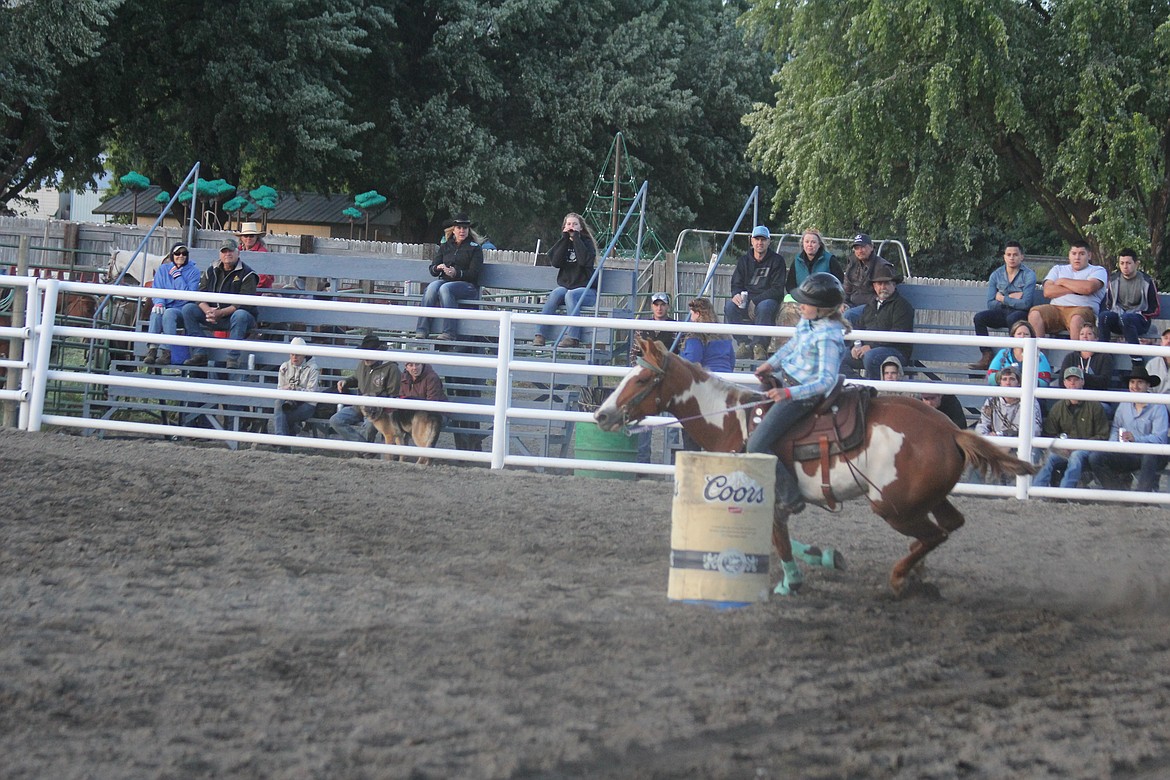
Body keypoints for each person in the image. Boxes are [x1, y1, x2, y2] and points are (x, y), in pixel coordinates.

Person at [748, 273, 850, 520]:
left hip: (804, 395)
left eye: (805, 302)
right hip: (789, 382)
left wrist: (787, 393)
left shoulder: (828, 336)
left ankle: (790, 497)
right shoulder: (808, 321)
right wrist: (771, 364)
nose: (799, 305)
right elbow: (793, 345)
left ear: (822, 308)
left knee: (756, 445)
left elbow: (825, 381)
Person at [1085, 364, 1169, 492]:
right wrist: (1115, 444)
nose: (1135, 386)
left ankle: (1141, 497)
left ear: (1148, 385)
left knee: (1149, 456)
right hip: (1128, 453)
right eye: (1132, 382)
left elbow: (1160, 438)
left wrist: (1136, 439)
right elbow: (1116, 428)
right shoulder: (1124, 403)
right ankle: (1118, 494)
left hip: (1152, 454)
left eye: (1140, 382)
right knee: (1096, 458)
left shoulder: (1158, 406)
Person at [180, 237, 259, 369]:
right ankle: (200, 352)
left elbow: (244, 303)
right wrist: (208, 311)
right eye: (224, 251)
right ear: (220, 254)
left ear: (238, 253)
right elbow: (200, 294)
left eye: (231, 251)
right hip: (212, 315)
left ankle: (232, 358)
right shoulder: (211, 270)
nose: (227, 254)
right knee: (188, 309)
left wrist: (220, 313)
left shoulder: (248, 274)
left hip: (237, 317)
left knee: (240, 315)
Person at [1032, 367, 1110, 490]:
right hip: (1064, 449)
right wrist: (1061, 445)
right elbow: (1049, 434)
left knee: (1076, 457)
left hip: (1087, 449)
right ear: (1064, 383)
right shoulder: (1058, 408)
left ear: (1082, 382)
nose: (1072, 382)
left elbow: (1102, 435)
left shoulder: (1094, 406)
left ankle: (1065, 491)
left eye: (1076, 379)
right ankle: (1037, 491)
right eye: (1069, 380)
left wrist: (1078, 445)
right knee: (1049, 458)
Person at [969, 241, 1037, 371]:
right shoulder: (996, 275)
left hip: (1020, 314)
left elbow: (1026, 303)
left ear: (1022, 256)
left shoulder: (1029, 275)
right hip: (1002, 312)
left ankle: (1014, 356)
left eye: (1015, 255)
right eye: (1009, 254)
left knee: (1013, 318)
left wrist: (1003, 298)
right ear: (1004, 256)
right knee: (979, 318)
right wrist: (1012, 297)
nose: (1012, 258)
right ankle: (986, 356)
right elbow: (990, 303)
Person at [533, 212, 598, 349]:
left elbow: (583, 262)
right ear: (564, 227)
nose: (571, 227)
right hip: (566, 287)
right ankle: (540, 334)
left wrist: (576, 240)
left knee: (571, 295)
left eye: (575, 224)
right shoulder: (563, 243)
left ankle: (573, 337)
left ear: (581, 228)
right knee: (557, 292)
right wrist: (564, 239)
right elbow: (556, 262)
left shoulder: (587, 244)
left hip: (586, 291)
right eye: (569, 224)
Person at [415, 213, 483, 341]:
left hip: (468, 286)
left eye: (465, 228)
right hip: (446, 281)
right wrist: (438, 268)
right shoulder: (445, 246)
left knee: (445, 288)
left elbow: (474, 274)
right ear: (454, 230)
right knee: (432, 287)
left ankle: (449, 332)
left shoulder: (475, 249)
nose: (462, 231)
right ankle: (422, 330)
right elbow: (432, 268)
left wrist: (457, 273)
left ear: (469, 230)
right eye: (459, 228)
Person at [725, 224, 787, 361]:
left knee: (765, 307)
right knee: (729, 306)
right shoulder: (743, 261)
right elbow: (736, 284)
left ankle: (759, 346)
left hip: (767, 299)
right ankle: (743, 343)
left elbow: (777, 289)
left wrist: (755, 301)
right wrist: (735, 294)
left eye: (763, 239)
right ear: (751, 241)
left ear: (769, 242)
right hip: (747, 299)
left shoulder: (777, 261)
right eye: (757, 239)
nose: (760, 242)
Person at [841, 265, 914, 379]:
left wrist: (870, 347)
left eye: (887, 283)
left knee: (871, 357)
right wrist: (854, 347)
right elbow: (859, 328)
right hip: (867, 350)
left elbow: (897, 336)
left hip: (896, 352)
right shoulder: (870, 306)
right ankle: (862, 388)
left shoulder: (902, 306)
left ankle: (874, 393)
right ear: (874, 286)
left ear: (894, 285)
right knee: (838, 356)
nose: (883, 287)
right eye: (879, 284)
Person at [329, 333, 402, 444]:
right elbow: (356, 378)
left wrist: (375, 403)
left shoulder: (392, 368)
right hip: (360, 406)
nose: (365, 359)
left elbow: (393, 394)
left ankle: (363, 449)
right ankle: (364, 448)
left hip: (378, 410)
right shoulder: (363, 364)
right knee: (335, 420)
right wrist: (346, 382)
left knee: (369, 426)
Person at [1028, 240, 1108, 340]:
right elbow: (1047, 291)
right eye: (1074, 253)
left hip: (1083, 309)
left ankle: (1076, 355)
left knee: (1076, 319)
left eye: (1082, 254)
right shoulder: (1058, 269)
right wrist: (1078, 289)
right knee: (1035, 314)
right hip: (1056, 309)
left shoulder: (1098, 270)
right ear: (1069, 255)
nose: (1077, 257)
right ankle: (1038, 354)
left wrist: (1062, 281)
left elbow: (1088, 288)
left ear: (1089, 255)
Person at [633, 292, 679, 464]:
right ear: (652, 307)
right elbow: (634, 354)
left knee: (671, 423)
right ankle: (642, 461)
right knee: (644, 420)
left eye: (662, 305)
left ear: (667, 306)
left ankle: (672, 462)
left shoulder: (676, 327)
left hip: (669, 379)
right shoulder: (643, 326)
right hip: (648, 379)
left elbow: (680, 354)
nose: (659, 308)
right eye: (656, 304)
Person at [143, 242, 200, 366]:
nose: (181, 256)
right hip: (166, 304)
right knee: (156, 312)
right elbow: (157, 288)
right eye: (177, 253)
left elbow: (189, 295)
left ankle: (166, 352)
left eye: (184, 253)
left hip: (182, 309)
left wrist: (177, 276)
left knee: (169, 313)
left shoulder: (194, 272)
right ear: (172, 255)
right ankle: (152, 350)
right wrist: (159, 302)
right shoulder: (163, 269)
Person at [389, 349, 448, 464]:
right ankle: (401, 454)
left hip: (435, 414)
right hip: (414, 414)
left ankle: (423, 456)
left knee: (416, 422)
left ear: (422, 364)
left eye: (417, 364)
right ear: (406, 367)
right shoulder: (403, 378)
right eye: (411, 365)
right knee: (395, 419)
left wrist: (411, 401)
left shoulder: (432, 378)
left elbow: (433, 404)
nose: (414, 368)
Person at [1098, 248, 1160, 350]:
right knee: (1104, 317)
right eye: (1122, 263)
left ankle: (1137, 359)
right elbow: (1108, 304)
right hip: (1118, 318)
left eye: (1128, 263)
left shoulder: (1147, 281)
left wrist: (1140, 313)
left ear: (1136, 264)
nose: (1125, 266)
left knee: (1126, 318)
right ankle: (1102, 355)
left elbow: (1155, 308)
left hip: (1139, 321)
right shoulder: (1113, 280)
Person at [271, 337, 320, 448]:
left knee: (281, 416)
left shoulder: (313, 368)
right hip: (289, 402)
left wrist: (294, 389)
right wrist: (289, 390)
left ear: (304, 355)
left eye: (297, 354)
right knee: (280, 406)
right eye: (292, 354)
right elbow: (279, 389)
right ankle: (283, 442)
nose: (294, 357)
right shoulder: (284, 367)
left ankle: (281, 440)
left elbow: (311, 394)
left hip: (307, 404)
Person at [841, 233, 897, 324]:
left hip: (873, 306)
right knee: (828, 313)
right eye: (856, 248)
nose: (860, 251)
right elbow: (846, 289)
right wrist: (843, 303)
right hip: (852, 304)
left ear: (871, 247)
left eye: (863, 247)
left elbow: (886, 294)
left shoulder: (882, 266)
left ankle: (845, 338)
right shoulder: (852, 264)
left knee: (848, 315)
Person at [976, 365, 1041, 441]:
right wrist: (987, 437)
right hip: (995, 443)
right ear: (1000, 383)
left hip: (1020, 443)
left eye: (1012, 379)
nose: (1008, 383)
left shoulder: (1029, 402)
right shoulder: (991, 401)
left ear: (1019, 383)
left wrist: (1003, 434)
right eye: (1004, 379)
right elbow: (981, 425)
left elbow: (1035, 430)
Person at [985, 320, 1054, 388]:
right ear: (1013, 336)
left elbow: (1045, 381)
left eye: (1026, 334)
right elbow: (990, 378)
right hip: (1004, 393)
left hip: (1030, 395)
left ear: (1031, 337)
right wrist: (1006, 377)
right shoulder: (1003, 354)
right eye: (1019, 334)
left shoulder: (1039, 355)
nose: (1022, 336)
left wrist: (1018, 378)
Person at [680, 297, 735, 373]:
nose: (691, 318)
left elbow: (692, 361)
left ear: (697, 314)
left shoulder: (695, 335)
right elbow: (732, 361)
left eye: (691, 314)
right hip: (727, 378)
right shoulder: (724, 335)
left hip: (708, 380)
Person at [1057, 323, 1115, 392]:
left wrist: (1083, 376)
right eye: (1082, 334)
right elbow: (1061, 381)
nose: (1085, 336)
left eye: (1089, 334)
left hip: (1097, 399)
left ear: (1096, 338)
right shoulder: (1070, 357)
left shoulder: (1105, 357)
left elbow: (1105, 382)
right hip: (1073, 397)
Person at [785, 228, 845, 293]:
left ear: (819, 245)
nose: (809, 245)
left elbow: (840, 283)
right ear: (803, 243)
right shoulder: (797, 260)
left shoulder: (830, 260)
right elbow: (790, 286)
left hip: (824, 299)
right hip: (802, 298)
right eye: (807, 242)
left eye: (813, 242)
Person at [235, 221, 274, 289]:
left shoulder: (263, 253)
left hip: (259, 289)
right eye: (246, 236)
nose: (248, 238)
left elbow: (264, 278)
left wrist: (248, 286)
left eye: (251, 236)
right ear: (241, 238)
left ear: (257, 237)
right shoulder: (236, 251)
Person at [1146, 328, 1170, 393]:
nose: (1168, 341)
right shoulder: (1152, 364)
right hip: (1155, 401)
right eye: (1166, 338)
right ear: (1161, 343)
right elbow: (1147, 389)